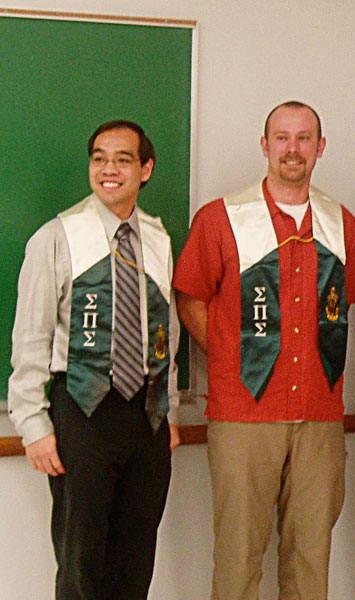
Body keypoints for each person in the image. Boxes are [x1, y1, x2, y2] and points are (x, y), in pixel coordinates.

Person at [174, 101, 355, 599]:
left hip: (319, 416)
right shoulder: (221, 219)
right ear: (264, 146)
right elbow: (191, 298)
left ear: (320, 148)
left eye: (304, 138)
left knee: (310, 559)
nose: (293, 148)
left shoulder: (340, 223)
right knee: (239, 557)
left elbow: (343, 304)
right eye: (282, 138)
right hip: (244, 413)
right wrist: (229, 352)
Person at [7, 120, 180, 599]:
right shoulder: (57, 238)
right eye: (99, 158)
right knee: (82, 562)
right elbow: (30, 337)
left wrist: (169, 408)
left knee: (135, 558)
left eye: (123, 159)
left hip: (146, 415)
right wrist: (34, 424)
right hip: (82, 409)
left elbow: (168, 332)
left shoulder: (157, 240)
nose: (108, 169)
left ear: (145, 169)